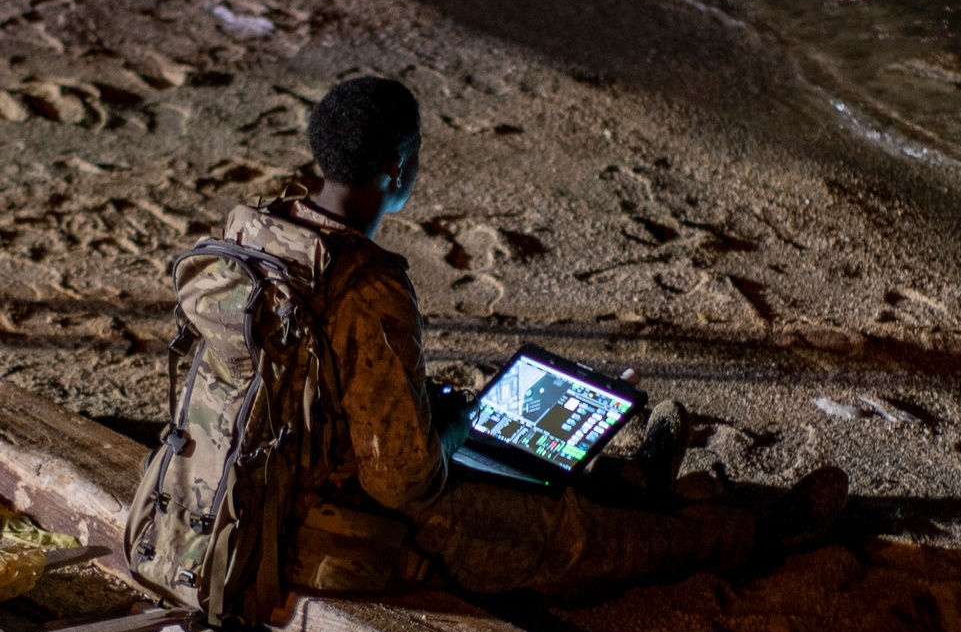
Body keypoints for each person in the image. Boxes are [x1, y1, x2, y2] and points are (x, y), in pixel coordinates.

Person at [258, 75, 846, 601]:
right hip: (335, 524)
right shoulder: (369, 287)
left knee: (508, 458)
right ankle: (749, 535)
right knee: (573, 533)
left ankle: (638, 482)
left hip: (267, 486)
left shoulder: (264, 233)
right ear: (397, 171)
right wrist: (453, 428)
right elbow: (401, 483)